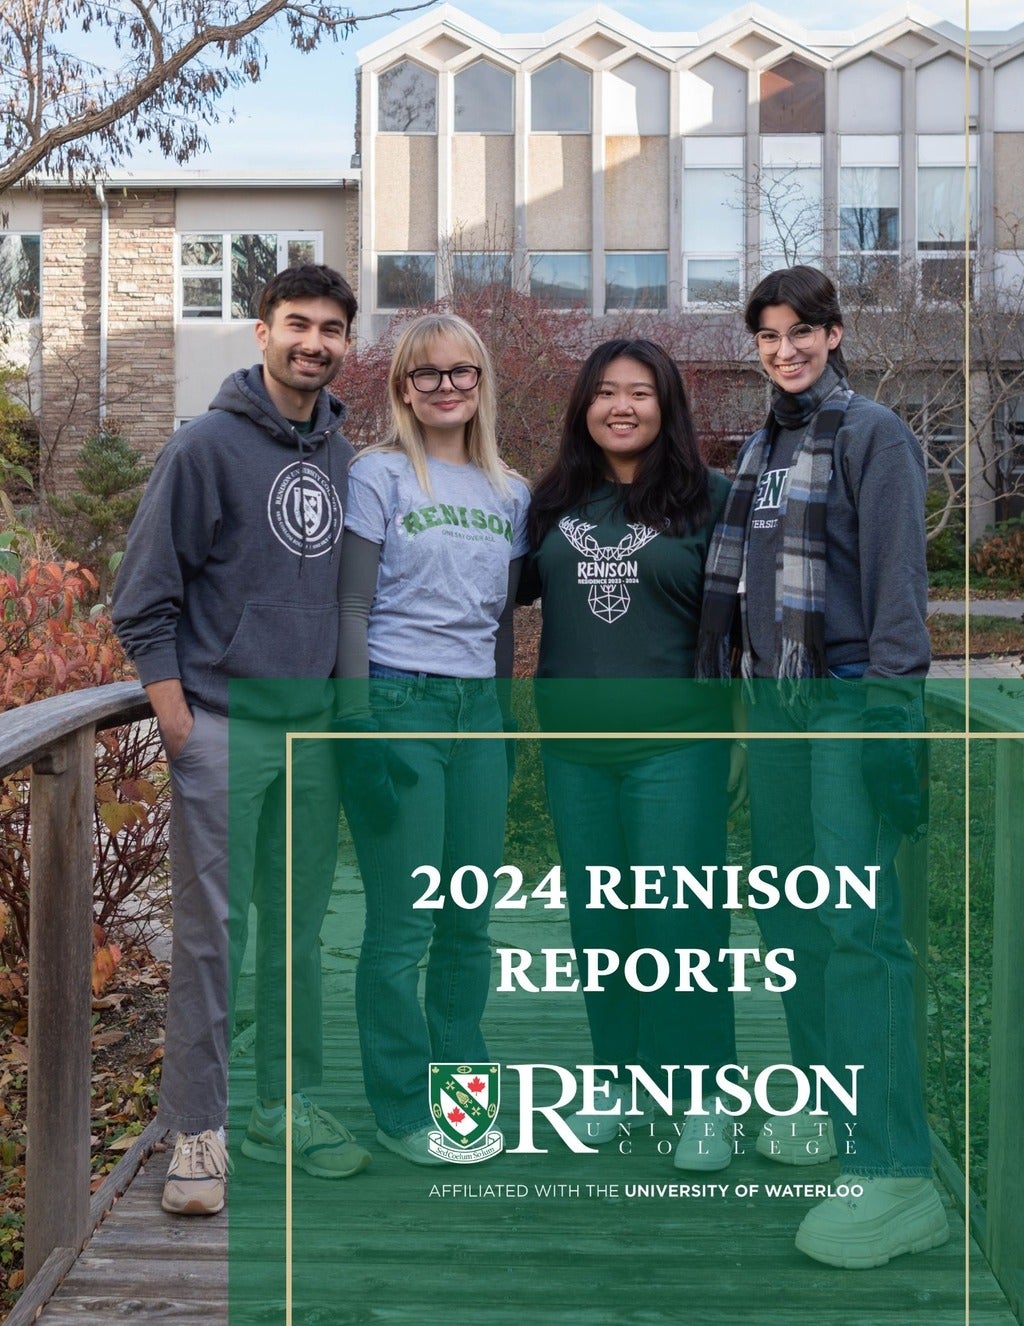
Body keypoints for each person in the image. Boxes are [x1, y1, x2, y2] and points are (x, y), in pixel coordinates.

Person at [696, 265, 948, 1267]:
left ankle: (895, 1172)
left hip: (845, 703)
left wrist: (891, 721)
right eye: (768, 335)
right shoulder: (765, 442)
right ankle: (824, 1110)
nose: (784, 349)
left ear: (834, 335)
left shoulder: (871, 434)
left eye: (802, 332)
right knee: (792, 915)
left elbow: (895, 581)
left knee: (857, 931)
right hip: (774, 708)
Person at [112, 264, 371, 1216]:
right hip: (221, 727)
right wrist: (176, 715)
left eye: (332, 328)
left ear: (349, 344)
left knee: (300, 935)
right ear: (261, 331)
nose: (314, 341)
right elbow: (143, 595)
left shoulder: (349, 459)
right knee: (212, 936)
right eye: (297, 323)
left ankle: (286, 1104)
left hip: (311, 740)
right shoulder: (206, 449)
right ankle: (199, 1129)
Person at [521, 338, 737, 1169]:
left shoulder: (711, 498)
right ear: (584, 405)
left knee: (680, 924)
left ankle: (705, 1098)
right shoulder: (554, 502)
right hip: (574, 753)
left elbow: (754, 623)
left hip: (675, 750)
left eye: (640, 393)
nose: (621, 406)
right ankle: (619, 1081)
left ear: (666, 405)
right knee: (600, 921)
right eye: (606, 392)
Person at [336, 312, 530, 1166]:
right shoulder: (377, 475)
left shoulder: (510, 491)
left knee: (468, 924)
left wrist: (506, 722)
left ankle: (460, 1099)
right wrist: (357, 730)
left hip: (477, 715)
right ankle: (401, 1108)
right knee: (404, 924)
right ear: (403, 387)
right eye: (427, 374)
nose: (446, 386)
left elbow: (498, 627)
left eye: (462, 372)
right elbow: (349, 607)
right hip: (398, 702)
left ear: (482, 383)